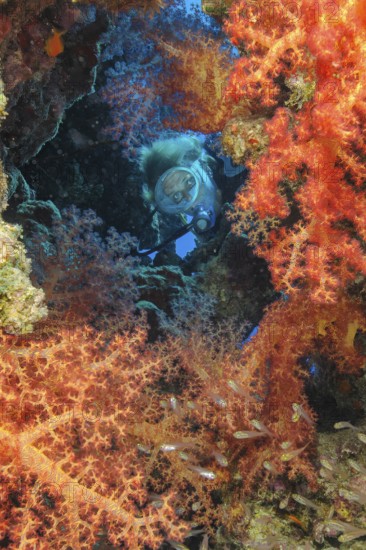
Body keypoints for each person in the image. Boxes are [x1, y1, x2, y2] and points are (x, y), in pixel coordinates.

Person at [139, 136, 221, 237]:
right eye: (176, 196)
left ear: (200, 167)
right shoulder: (211, 237)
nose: (189, 198)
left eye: (188, 182)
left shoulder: (232, 160)